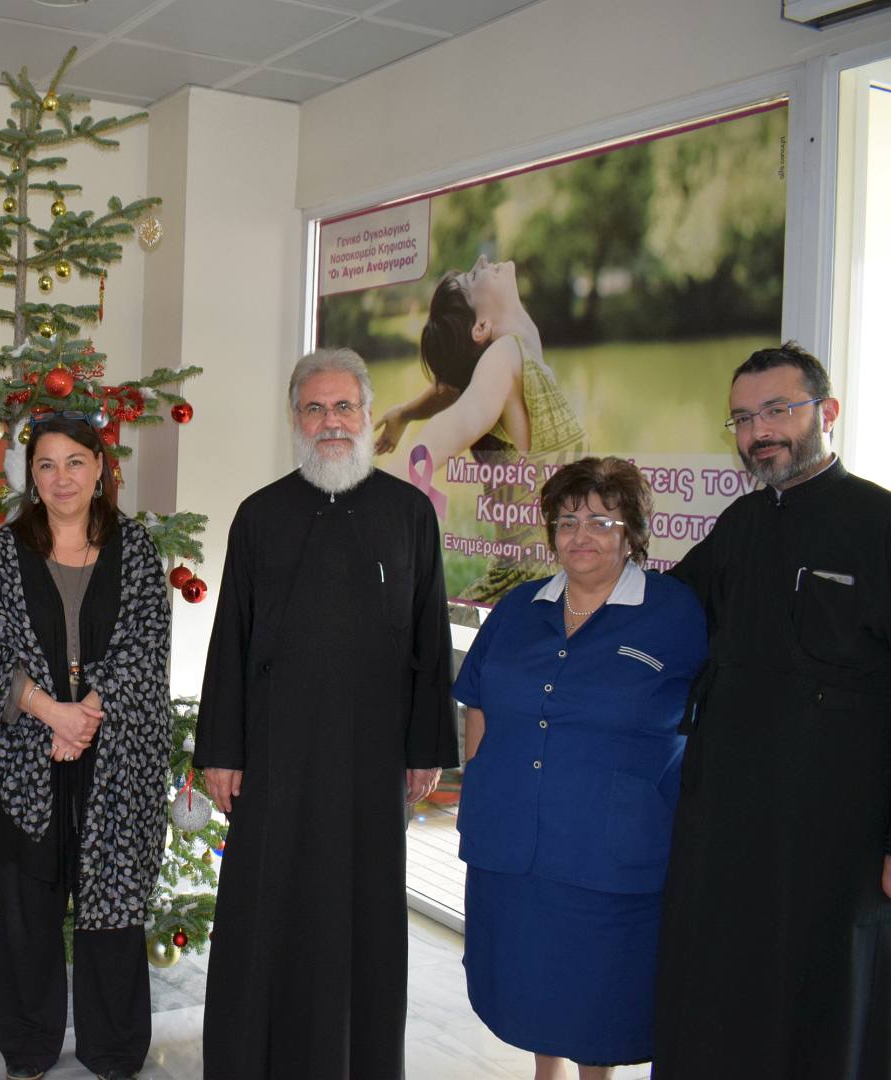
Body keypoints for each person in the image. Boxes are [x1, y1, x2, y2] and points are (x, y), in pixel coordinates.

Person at [194, 348, 458, 1079]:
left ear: (369, 416)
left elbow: (430, 637)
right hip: (275, 754)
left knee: (361, 916)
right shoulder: (260, 514)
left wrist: (426, 747)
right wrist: (221, 751)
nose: (331, 422)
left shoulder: (409, 514)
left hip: (372, 758)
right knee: (266, 910)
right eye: (315, 409)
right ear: (295, 419)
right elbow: (230, 639)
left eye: (344, 407)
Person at [654, 342, 891, 1080]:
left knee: (817, 1007)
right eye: (743, 418)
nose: (759, 431)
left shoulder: (879, 523)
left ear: (828, 412)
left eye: (778, 411)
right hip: (726, 821)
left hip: (832, 831)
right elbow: (667, 613)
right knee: (719, 995)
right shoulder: (742, 522)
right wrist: (583, 575)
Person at [452, 457, 706, 1079]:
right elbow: (480, 701)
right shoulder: (520, 606)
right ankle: (547, 1072)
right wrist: (481, 780)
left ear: (632, 532)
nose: (580, 536)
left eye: (600, 521)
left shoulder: (675, 614)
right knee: (527, 976)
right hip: (511, 838)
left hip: (609, 849)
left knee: (600, 993)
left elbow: (709, 721)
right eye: (567, 522)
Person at [0, 414, 172, 1080]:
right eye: (46, 465)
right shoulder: (4, 551)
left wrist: (84, 718)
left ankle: (113, 1049)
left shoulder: (135, 547)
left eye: (76, 462)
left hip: (117, 760)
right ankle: (28, 1048)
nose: (62, 478)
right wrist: (52, 714)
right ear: (32, 476)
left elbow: (145, 646)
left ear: (100, 467)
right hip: (24, 756)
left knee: (114, 909)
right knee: (26, 914)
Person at [375, 256, 588, 603]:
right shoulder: (505, 356)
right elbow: (450, 425)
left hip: (556, 581)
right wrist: (371, 499)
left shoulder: (520, 350)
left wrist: (406, 412)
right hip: (527, 589)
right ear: (481, 327)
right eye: (474, 277)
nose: (483, 259)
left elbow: (453, 389)